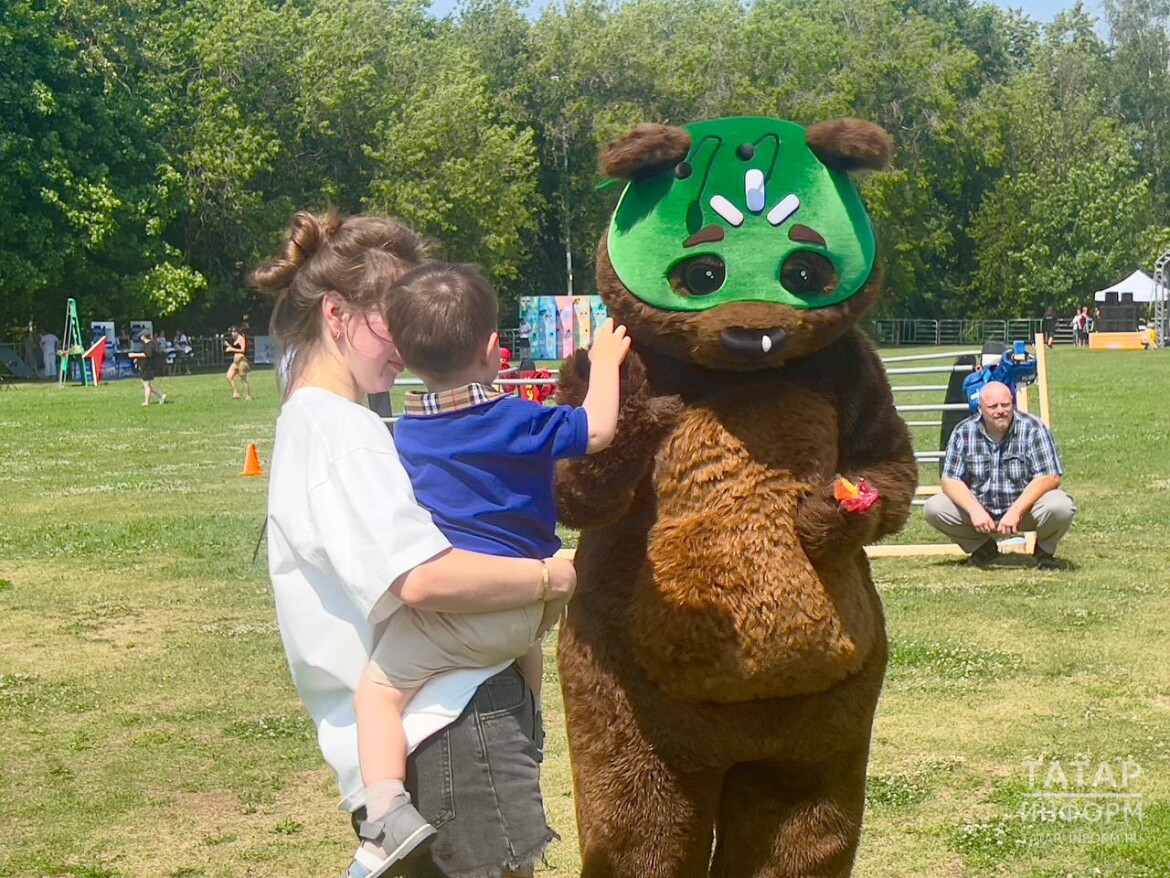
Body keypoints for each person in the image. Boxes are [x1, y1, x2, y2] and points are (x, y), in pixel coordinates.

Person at [253, 210, 575, 878]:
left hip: (421, 740)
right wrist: (554, 577)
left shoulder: (316, 423)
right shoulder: (341, 431)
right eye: (388, 321)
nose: (405, 344)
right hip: (449, 728)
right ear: (337, 313)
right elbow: (422, 579)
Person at [346, 263, 629, 877]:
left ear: (407, 356)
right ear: (493, 350)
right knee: (519, 653)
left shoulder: (409, 433)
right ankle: (531, 726)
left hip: (464, 612)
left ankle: (386, 809)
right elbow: (600, 428)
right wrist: (603, 362)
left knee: (376, 693)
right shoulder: (519, 421)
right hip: (530, 609)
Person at [924, 381, 1075, 569]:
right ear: (980, 408)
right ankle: (983, 548)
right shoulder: (963, 432)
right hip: (981, 511)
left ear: (1013, 403)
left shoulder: (1033, 428)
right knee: (934, 507)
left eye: (1005, 405)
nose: (1000, 411)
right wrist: (975, 511)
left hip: (1026, 510)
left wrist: (1016, 511)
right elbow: (950, 480)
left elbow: (1050, 476)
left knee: (1061, 505)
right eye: (993, 406)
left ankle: (1044, 551)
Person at [129, 330, 167, 406]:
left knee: (146, 385)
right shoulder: (147, 345)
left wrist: (134, 355)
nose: (140, 337)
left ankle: (147, 402)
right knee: (146, 385)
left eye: (141, 336)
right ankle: (161, 395)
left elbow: (147, 354)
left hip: (148, 367)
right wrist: (137, 359)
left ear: (143, 336)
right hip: (145, 367)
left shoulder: (150, 345)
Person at [224, 326, 253, 400]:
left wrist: (231, 348)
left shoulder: (241, 338)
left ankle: (248, 396)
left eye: (234, 332)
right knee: (229, 376)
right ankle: (236, 392)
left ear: (237, 332)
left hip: (241, 361)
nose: (232, 334)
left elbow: (242, 350)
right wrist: (228, 346)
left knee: (243, 379)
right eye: (231, 332)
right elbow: (235, 349)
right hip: (235, 362)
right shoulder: (235, 339)